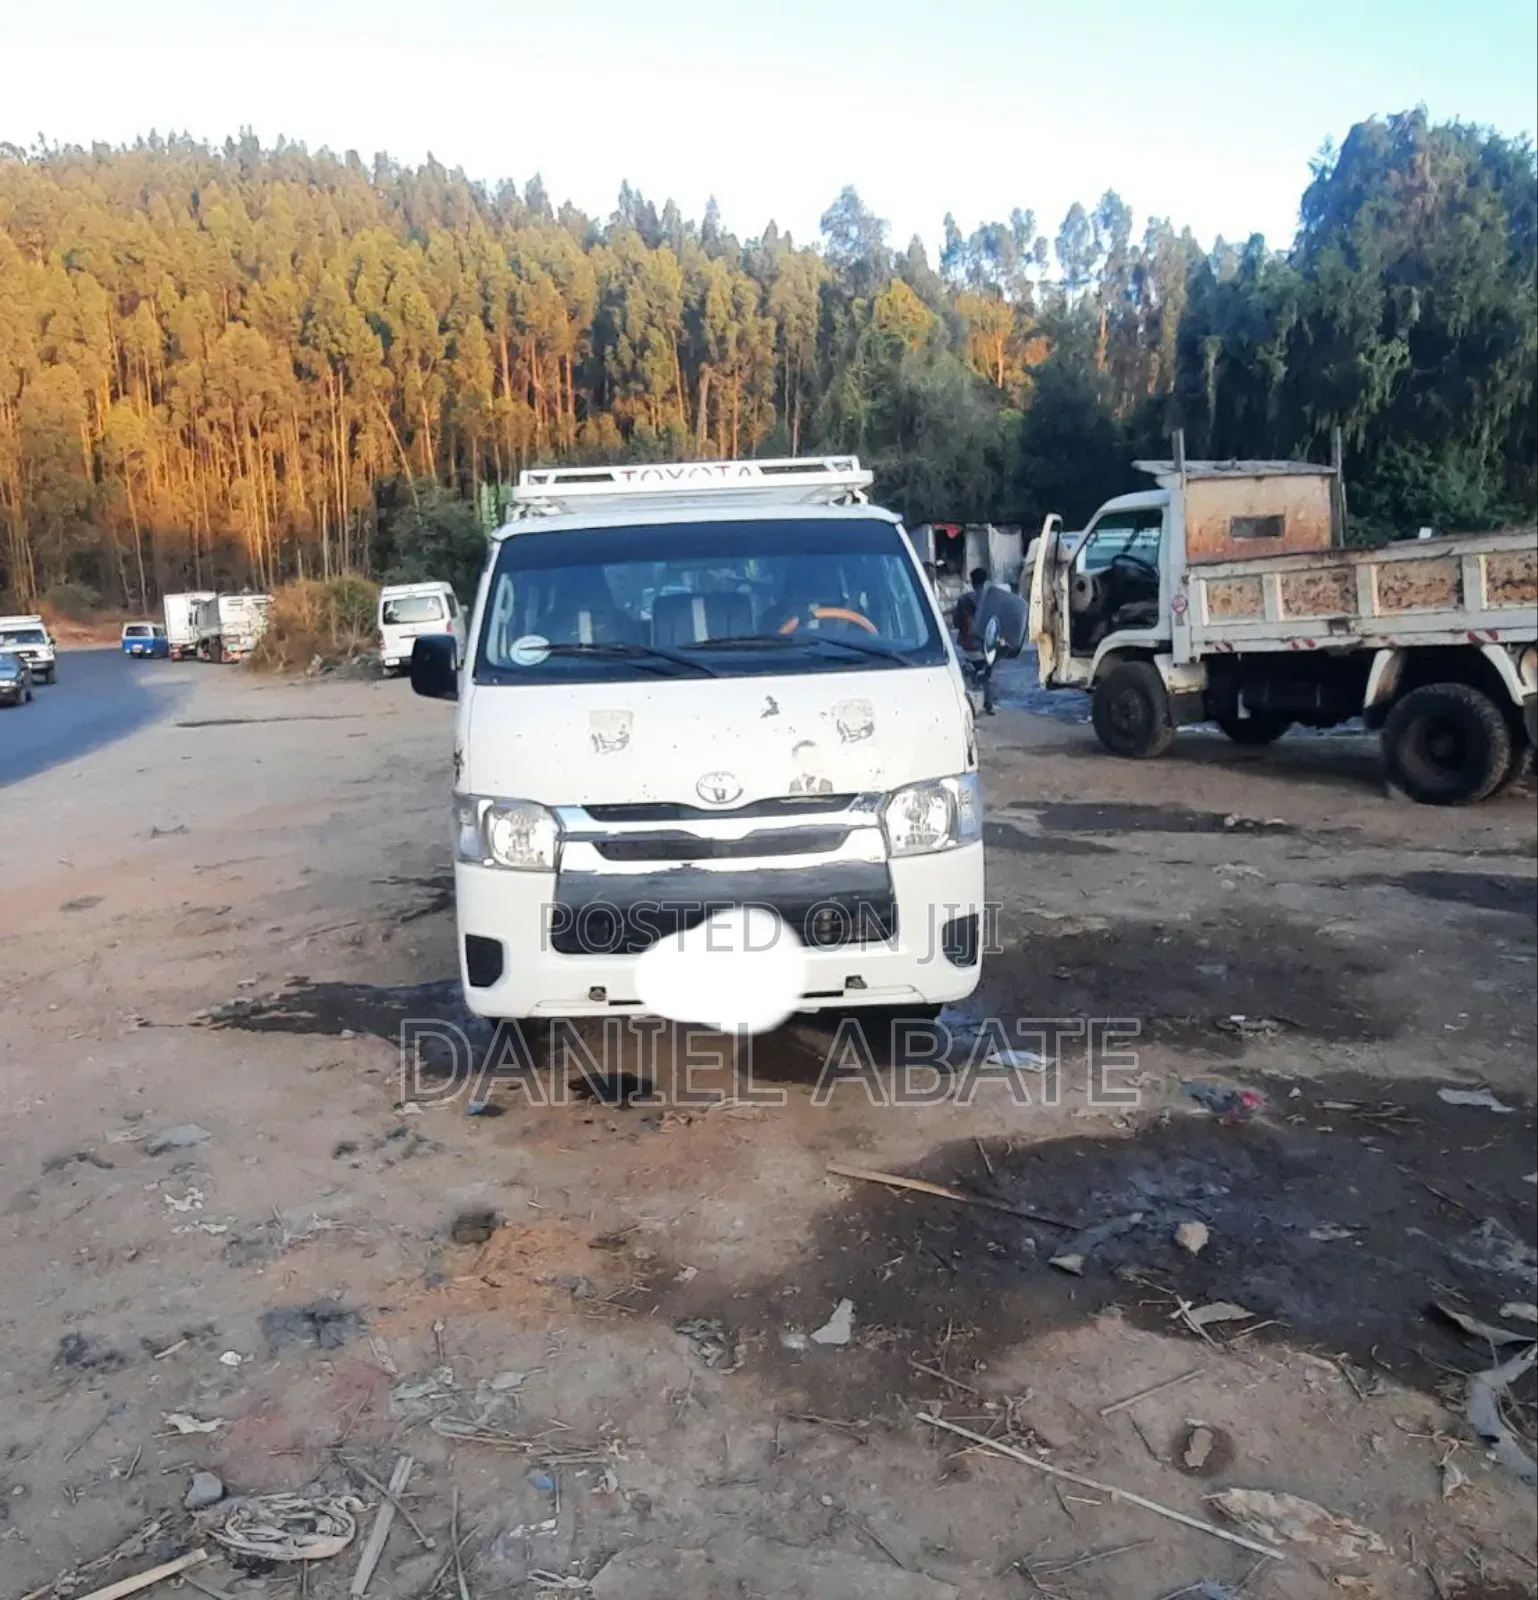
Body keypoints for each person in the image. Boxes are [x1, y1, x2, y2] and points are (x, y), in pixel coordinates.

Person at [951, 568, 996, 715]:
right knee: (985, 674)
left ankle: (976, 701)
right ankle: (988, 704)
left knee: (975, 672)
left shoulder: (964, 600)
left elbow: (956, 623)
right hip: (986, 645)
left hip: (967, 645)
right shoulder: (991, 599)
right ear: (986, 581)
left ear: (971, 582)